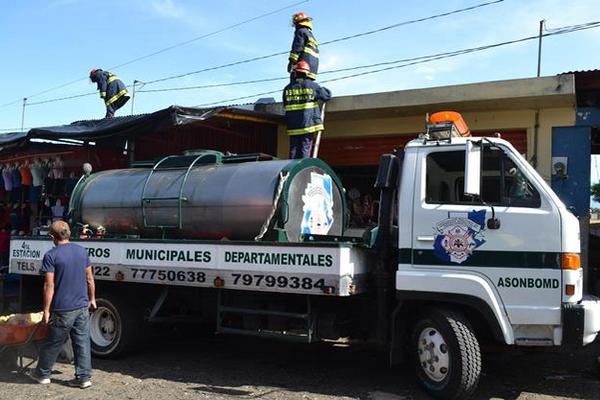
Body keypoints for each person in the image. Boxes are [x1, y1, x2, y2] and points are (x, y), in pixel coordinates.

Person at [28, 221, 96, 389]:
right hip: (82, 307)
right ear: (69, 233)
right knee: (82, 342)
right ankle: (84, 378)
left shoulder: (51, 255)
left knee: (52, 342)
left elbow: (49, 285)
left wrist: (46, 310)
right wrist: (92, 298)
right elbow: (90, 278)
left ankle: (42, 374)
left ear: (52, 237)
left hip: (63, 308)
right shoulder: (81, 251)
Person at [283, 61, 331, 159]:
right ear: (307, 73)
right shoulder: (312, 86)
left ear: (295, 73)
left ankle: (292, 171)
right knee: (305, 149)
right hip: (307, 124)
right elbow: (327, 95)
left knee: (293, 150)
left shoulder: (287, 88)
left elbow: (285, 104)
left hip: (293, 126)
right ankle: (303, 171)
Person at [288, 12, 319, 81]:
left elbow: (297, 48)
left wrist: (291, 62)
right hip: (312, 70)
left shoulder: (300, 31)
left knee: (295, 88)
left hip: (301, 68)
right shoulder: (311, 35)